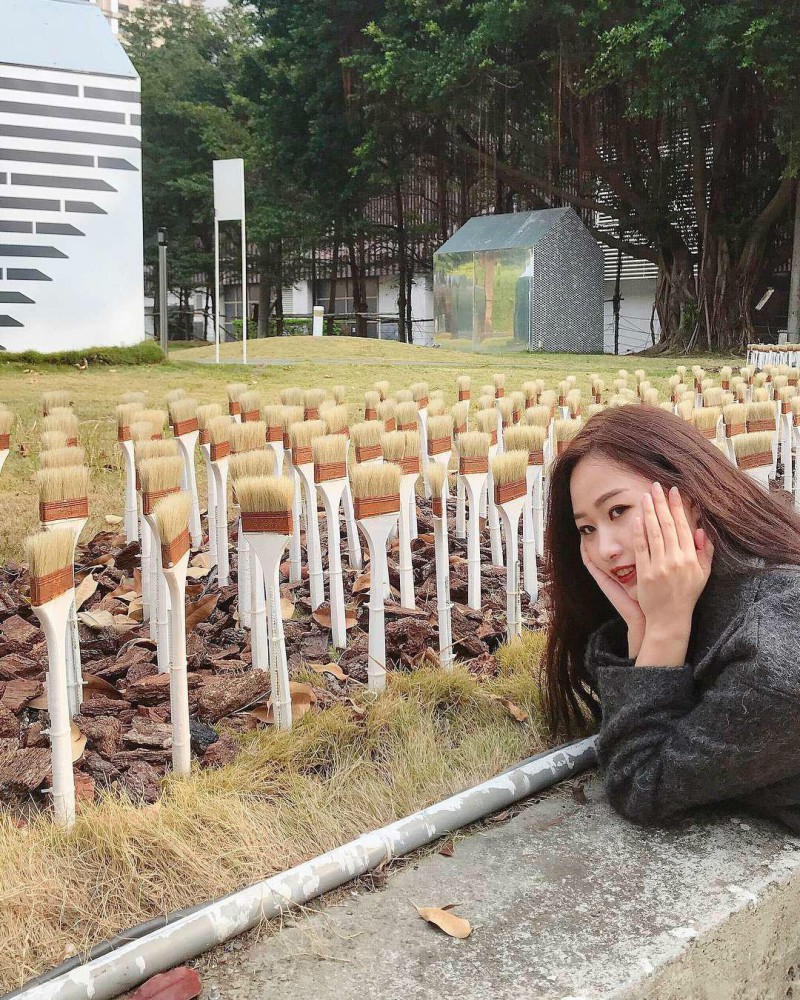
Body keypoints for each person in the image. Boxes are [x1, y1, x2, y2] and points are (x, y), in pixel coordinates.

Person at [540, 404, 800, 833]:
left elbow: (640, 782)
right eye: (587, 528)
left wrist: (663, 629)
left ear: (691, 499)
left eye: (617, 511)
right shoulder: (717, 595)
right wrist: (643, 627)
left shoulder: (773, 650)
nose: (605, 549)